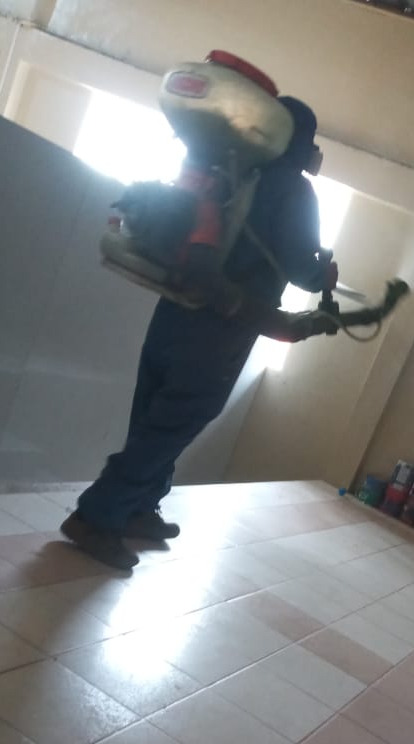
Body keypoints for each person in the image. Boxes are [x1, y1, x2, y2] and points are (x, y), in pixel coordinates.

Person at [61, 96, 337, 570]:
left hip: (175, 305)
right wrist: (322, 276)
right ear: (302, 142)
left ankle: (139, 507)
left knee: (152, 413)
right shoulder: (292, 189)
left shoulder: (223, 165)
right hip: (220, 327)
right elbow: (300, 268)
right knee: (173, 424)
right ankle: (97, 517)